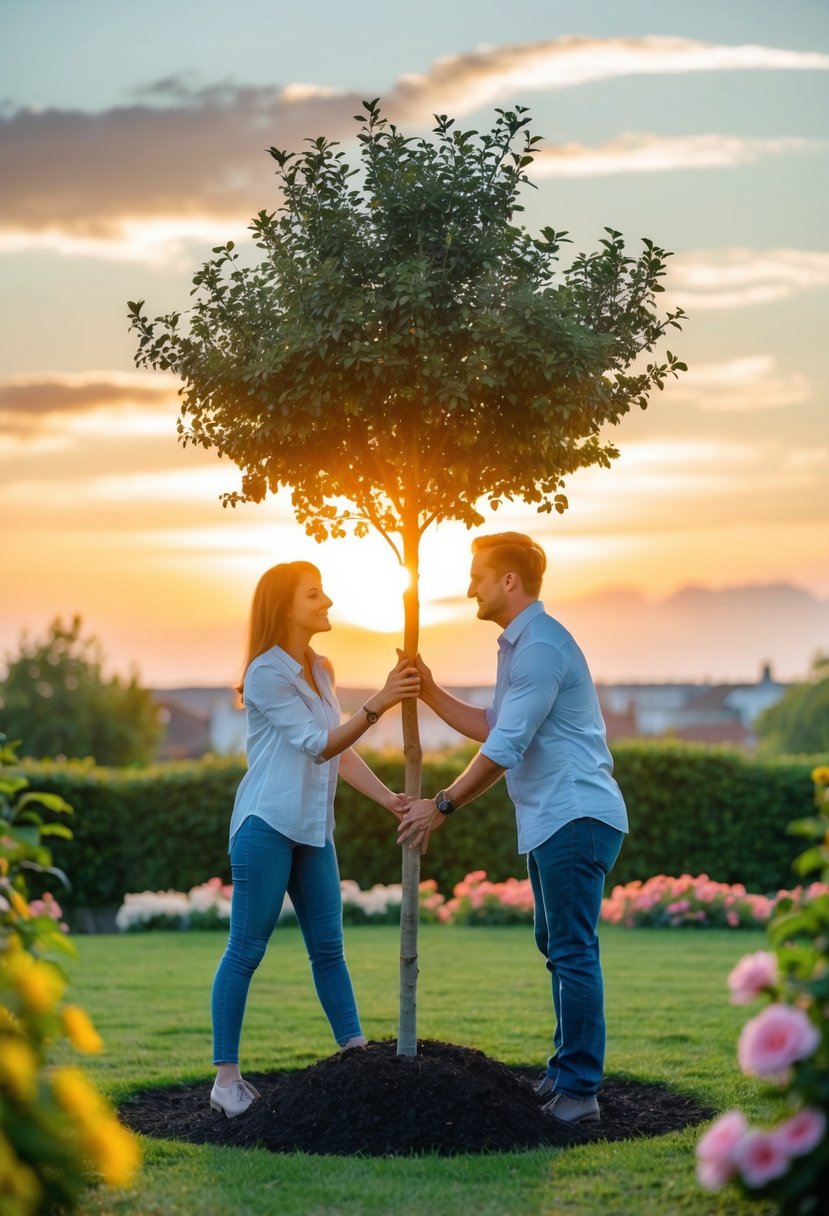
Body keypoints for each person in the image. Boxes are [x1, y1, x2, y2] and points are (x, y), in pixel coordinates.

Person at [396, 532, 627, 1125]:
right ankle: (563, 1076)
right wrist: (426, 685)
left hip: (573, 814)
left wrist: (441, 805)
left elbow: (506, 745)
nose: (469, 586)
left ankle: (579, 1092)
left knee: (572, 951)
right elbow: (493, 722)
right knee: (558, 948)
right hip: (556, 818)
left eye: (478, 575)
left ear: (508, 582)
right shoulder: (520, 649)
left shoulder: (542, 648)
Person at [210, 560, 419, 1117]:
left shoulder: (320, 668)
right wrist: (381, 701)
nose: (327, 602)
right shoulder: (265, 673)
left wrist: (389, 799)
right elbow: (315, 744)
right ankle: (226, 1081)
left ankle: (357, 1058)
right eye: (314, 594)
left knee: (330, 950)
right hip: (266, 826)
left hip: (313, 831)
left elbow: (341, 750)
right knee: (246, 951)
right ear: (285, 607)